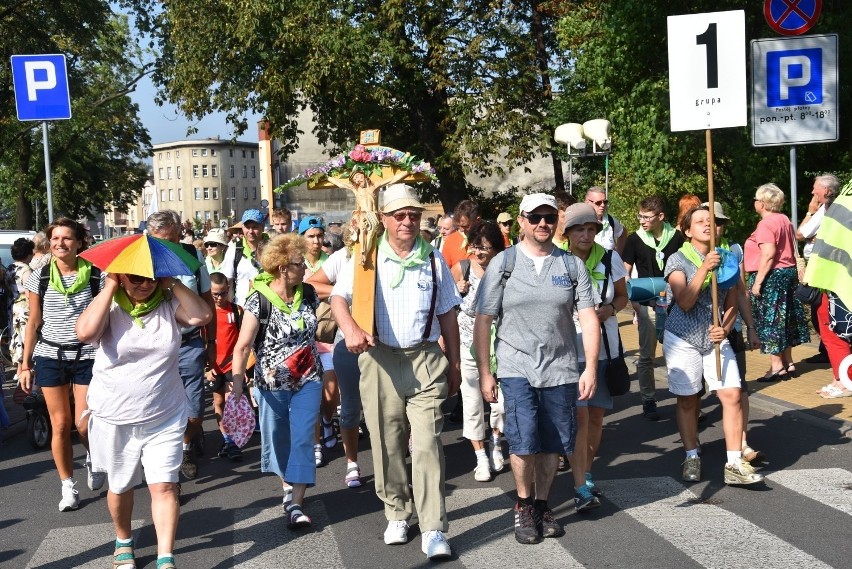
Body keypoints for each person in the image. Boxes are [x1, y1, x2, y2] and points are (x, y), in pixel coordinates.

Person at [330, 184, 462, 560]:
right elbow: (338, 298)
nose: (407, 222)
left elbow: (448, 315)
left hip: (424, 359)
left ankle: (434, 525)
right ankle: (398, 513)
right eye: (399, 215)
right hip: (380, 360)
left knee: (426, 445)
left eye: (414, 215)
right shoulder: (367, 256)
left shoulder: (434, 259)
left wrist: (453, 363)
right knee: (387, 442)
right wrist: (351, 330)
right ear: (384, 219)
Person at [473, 193, 599, 545]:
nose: (542, 224)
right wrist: (486, 371)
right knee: (524, 439)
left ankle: (543, 504)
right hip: (516, 366)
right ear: (522, 220)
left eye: (548, 217)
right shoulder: (504, 263)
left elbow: (588, 319)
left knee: (552, 443)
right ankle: (524, 505)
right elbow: (484, 320)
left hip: (560, 368)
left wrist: (589, 367)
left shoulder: (572, 266)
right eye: (534, 218)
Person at [77, 270, 212, 569]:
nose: (145, 285)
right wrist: (110, 285)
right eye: (136, 278)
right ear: (121, 277)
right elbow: (85, 333)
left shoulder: (168, 304)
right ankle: (123, 539)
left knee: (164, 486)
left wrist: (172, 284)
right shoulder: (109, 306)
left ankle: (166, 557)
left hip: (164, 413)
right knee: (121, 486)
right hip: (115, 415)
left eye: (151, 278)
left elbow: (202, 317)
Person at [663, 206, 764, 486]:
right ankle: (692, 455)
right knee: (688, 399)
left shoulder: (728, 258)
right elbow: (684, 301)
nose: (707, 225)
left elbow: (732, 300)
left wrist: (726, 327)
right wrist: (705, 268)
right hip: (682, 337)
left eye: (711, 222)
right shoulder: (677, 259)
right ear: (687, 230)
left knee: (731, 394)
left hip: (715, 338)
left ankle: (733, 463)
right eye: (699, 222)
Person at [230, 234, 323, 530]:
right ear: (283, 267)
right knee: (278, 438)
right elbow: (243, 345)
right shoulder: (258, 300)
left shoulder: (308, 293)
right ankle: (287, 486)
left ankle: (296, 502)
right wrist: (237, 381)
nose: (305, 269)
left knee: (304, 437)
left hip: (309, 379)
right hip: (271, 385)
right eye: (299, 264)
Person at [18, 218, 104, 511]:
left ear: (79, 242)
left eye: (67, 238)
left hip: (87, 355)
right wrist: (25, 364)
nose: (60, 244)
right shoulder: (39, 277)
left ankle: (94, 457)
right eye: (55, 238)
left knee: (83, 424)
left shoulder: (96, 275)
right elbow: (33, 322)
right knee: (60, 424)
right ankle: (68, 486)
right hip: (50, 355)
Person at [563, 203, 628, 507]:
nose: (586, 235)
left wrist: (610, 309)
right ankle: (577, 476)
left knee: (597, 415)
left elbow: (624, 296)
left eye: (591, 229)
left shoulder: (609, 258)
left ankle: (586, 472)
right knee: (579, 415)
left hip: (603, 347)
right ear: (568, 233)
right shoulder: (558, 261)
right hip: (567, 347)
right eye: (579, 229)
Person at [147, 211, 217, 482]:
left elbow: (207, 300)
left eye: (174, 238)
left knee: (196, 411)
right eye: (163, 240)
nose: (170, 245)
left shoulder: (191, 254)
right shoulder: (142, 259)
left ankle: (187, 441)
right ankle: (173, 456)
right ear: (151, 237)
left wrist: (211, 343)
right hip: (155, 346)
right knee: (157, 408)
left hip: (189, 344)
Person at [451, 221, 507, 482]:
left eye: (486, 248)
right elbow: (448, 308)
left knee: (501, 403)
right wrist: (458, 290)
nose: (481, 253)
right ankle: (480, 457)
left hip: (503, 346)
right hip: (467, 345)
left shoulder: (506, 270)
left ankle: (497, 441)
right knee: (472, 404)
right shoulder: (460, 269)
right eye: (476, 247)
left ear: (497, 248)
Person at [622, 196, 685, 420]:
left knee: (678, 354)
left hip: (675, 304)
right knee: (647, 356)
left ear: (661, 217)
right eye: (640, 216)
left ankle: (686, 400)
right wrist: (633, 300)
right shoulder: (635, 239)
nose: (642, 221)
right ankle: (648, 399)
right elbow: (624, 271)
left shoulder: (677, 238)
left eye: (647, 217)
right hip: (648, 303)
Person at [745, 184, 809, 381]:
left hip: (772, 276)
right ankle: (788, 362)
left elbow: (769, 253)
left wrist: (758, 283)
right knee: (786, 319)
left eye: (756, 199)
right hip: (787, 274)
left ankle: (776, 366)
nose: (755, 203)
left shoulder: (765, 224)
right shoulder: (784, 219)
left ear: (762, 203)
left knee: (770, 320)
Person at [297, 215, 339, 468]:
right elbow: (302, 286)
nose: (316, 241)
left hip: (327, 333)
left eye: (319, 236)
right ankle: (315, 444)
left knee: (331, 391)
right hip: (302, 338)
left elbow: (310, 288)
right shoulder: (296, 263)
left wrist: (318, 288)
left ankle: (327, 418)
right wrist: (331, 290)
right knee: (309, 392)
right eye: (310, 236)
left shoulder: (330, 261)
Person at [796, 174, 839, 365]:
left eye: (816, 189)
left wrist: (810, 212)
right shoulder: (837, 209)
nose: (813, 192)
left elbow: (800, 233)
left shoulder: (825, 210)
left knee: (820, 309)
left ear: (827, 191)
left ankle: (832, 351)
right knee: (823, 309)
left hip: (821, 265)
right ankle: (828, 349)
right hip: (827, 263)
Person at [207, 272, 245, 461]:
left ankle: (232, 442)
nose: (220, 298)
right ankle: (225, 437)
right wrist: (206, 369)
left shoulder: (237, 311)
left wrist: (245, 368)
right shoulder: (206, 312)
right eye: (215, 294)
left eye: (223, 293)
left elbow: (244, 340)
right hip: (213, 367)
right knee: (219, 403)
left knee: (232, 404)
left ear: (228, 290)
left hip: (232, 365)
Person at [223, 210, 269, 306]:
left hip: (270, 306)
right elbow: (228, 282)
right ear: (242, 227)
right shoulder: (234, 249)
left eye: (255, 227)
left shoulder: (273, 248)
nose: (251, 231)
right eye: (247, 227)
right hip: (242, 307)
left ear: (262, 227)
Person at [9, 238, 34, 367]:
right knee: (25, 336)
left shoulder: (9, 268)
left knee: (16, 335)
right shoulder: (26, 269)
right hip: (24, 306)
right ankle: (24, 367)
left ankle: (19, 369)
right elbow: (29, 292)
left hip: (11, 306)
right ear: (28, 253)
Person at [584, 186, 627, 253]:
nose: (603, 205)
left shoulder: (610, 220)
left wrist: (618, 256)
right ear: (587, 202)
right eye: (598, 203)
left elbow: (623, 233)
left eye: (605, 202)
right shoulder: (579, 221)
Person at [442, 200, 481, 269]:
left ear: (477, 220)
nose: (461, 230)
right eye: (458, 226)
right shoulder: (450, 241)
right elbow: (444, 272)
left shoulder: (490, 240)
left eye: (465, 226)